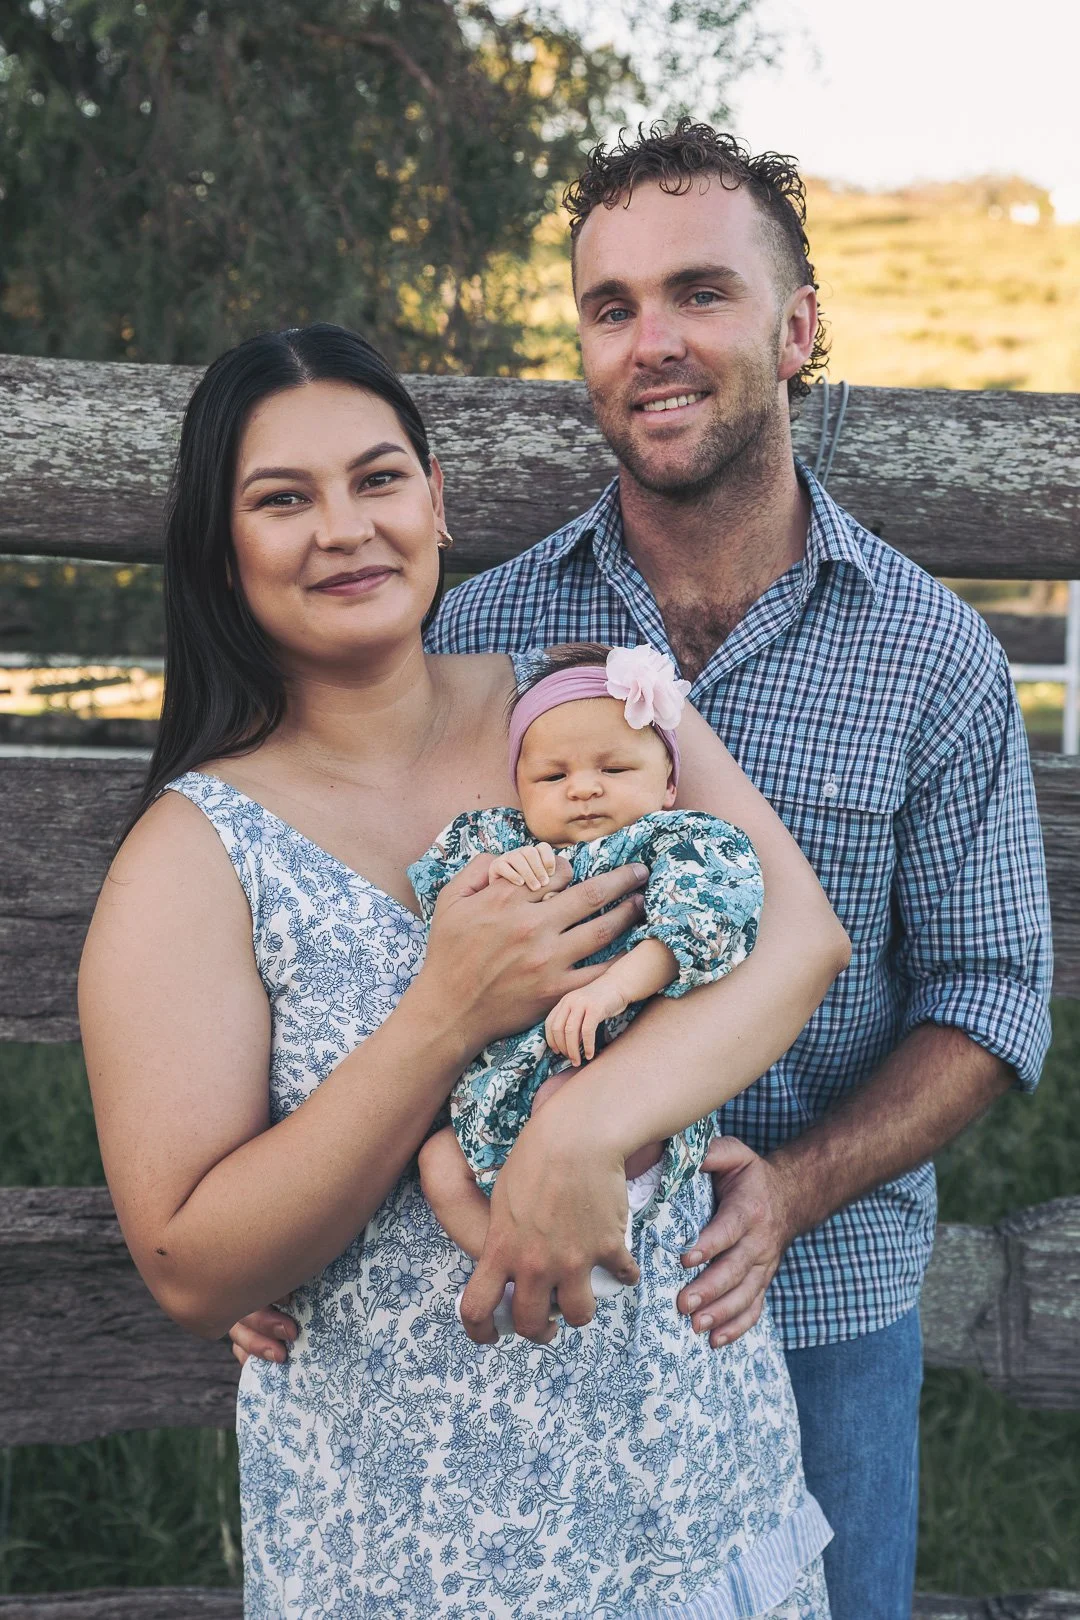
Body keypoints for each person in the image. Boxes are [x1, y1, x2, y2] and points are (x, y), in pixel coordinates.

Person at [231, 123, 1052, 1618]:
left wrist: (795, 1190)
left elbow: (992, 999)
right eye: (611, 308)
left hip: (808, 1307)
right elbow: (386, 942)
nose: (652, 343)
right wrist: (291, 1232)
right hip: (550, 1329)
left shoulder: (931, 654)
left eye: (700, 294)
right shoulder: (480, 636)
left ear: (799, 329)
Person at [80, 323, 850, 1617]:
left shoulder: (576, 709)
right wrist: (441, 1019)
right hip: (412, 1552)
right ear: (225, 553)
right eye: (283, 500)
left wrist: (588, 1127)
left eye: (378, 480)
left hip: (687, 1491)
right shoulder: (194, 855)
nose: (344, 530)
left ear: (438, 503)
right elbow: (191, 1264)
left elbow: (794, 936)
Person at [414, 640, 766, 1325]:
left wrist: (616, 988)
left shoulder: (678, 838)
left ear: (667, 784)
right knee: (437, 1162)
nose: (582, 787)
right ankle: (509, 1265)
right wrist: (492, 878)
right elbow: (440, 901)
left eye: (613, 767)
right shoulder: (506, 845)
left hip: (617, 1069)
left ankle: (596, 1248)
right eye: (552, 777)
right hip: (503, 1095)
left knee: (565, 1102)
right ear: (521, 790)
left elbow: (709, 915)